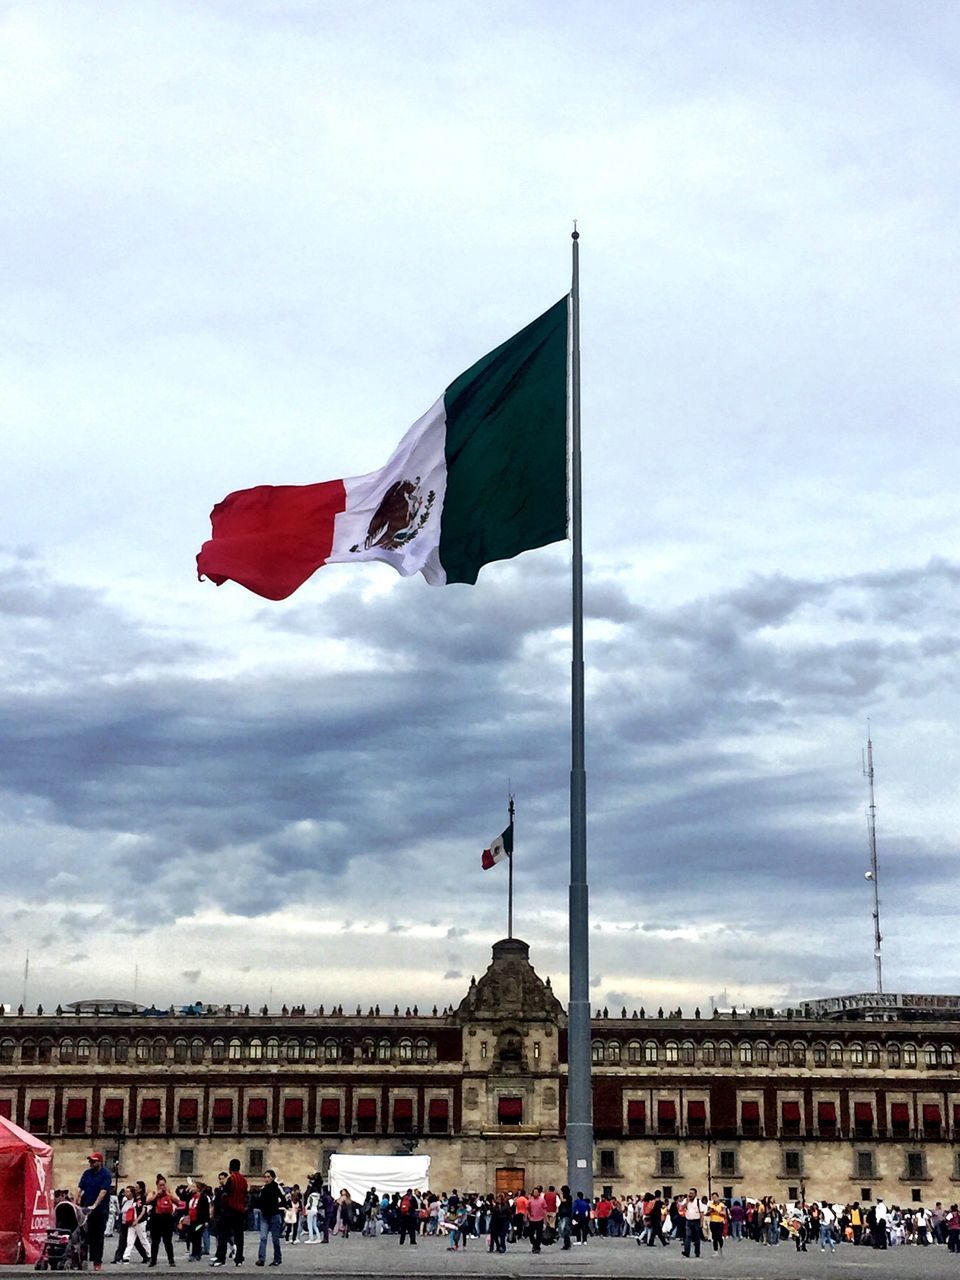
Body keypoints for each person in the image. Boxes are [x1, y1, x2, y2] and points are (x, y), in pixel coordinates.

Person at [78, 1152, 114, 1272]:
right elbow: (81, 1188)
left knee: (98, 1236)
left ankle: (97, 1261)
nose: (91, 1163)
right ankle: (82, 1259)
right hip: (86, 1209)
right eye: (90, 1161)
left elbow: (103, 1192)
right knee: (84, 1235)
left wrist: (94, 1205)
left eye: (94, 1161)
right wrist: (77, 1201)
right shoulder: (87, 1173)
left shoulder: (106, 1175)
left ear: (100, 1162)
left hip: (100, 1210)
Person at [212, 1160, 248, 1267]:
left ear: (230, 1168)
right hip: (240, 1211)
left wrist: (222, 1207)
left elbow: (226, 1194)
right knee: (239, 1235)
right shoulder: (244, 1180)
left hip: (230, 1210)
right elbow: (245, 1194)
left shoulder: (231, 1179)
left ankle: (220, 1258)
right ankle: (239, 1259)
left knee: (223, 1234)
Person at [254, 1170, 285, 1267]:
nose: (266, 1179)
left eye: (268, 1177)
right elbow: (260, 1200)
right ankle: (261, 1259)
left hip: (274, 1215)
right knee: (263, 1237)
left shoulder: (277, 1187)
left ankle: (277, 1258)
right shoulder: (264, 1188)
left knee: (275, 1238)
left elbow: (283, 1198)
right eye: (265, 1177)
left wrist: (279, 1206)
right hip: (264, 1215)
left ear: (272, 1177)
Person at [147, 1175, 179, 1267]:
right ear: (157, 1185)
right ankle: (153, 1260)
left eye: (164, 1185)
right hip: (156, 1219)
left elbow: (178, 1201)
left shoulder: (169, 1193)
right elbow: (148, 1201)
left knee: (168, 1241)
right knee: (155, 1241)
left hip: (167, 1219)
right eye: (160, 1185)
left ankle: (171, 1259)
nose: (163, 1187)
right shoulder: (153, 1192)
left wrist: (169, 1195)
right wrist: (157, 1194)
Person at [681, 1188, 704, 1260]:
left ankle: (697, 1252)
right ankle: (686, 1252)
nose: (690, 1195)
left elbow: (701, 1213)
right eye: (689, 1193)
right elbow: (681, 1207)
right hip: (688, 1221)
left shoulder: (698, 1201)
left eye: (692, 1193)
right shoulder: (686, 1200)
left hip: (696, 1221)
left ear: (695, 1194)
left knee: (697, 1238)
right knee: (687, 1237)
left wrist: (701, 1223)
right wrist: (686, 1202)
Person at [526, 1186, 546, 1253]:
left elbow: (545, 1209)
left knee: (539, 1234)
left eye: (536, 1192)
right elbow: (527, 1209)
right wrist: (528, 1216)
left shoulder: (542, 1200)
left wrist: (545, 1218)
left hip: (540, 1219)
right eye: (534, 1192)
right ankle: (534, 1244)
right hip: (532, 1219)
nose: (535, 1193)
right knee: (531, 1234)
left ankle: (537, 1247)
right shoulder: (530, 1200)